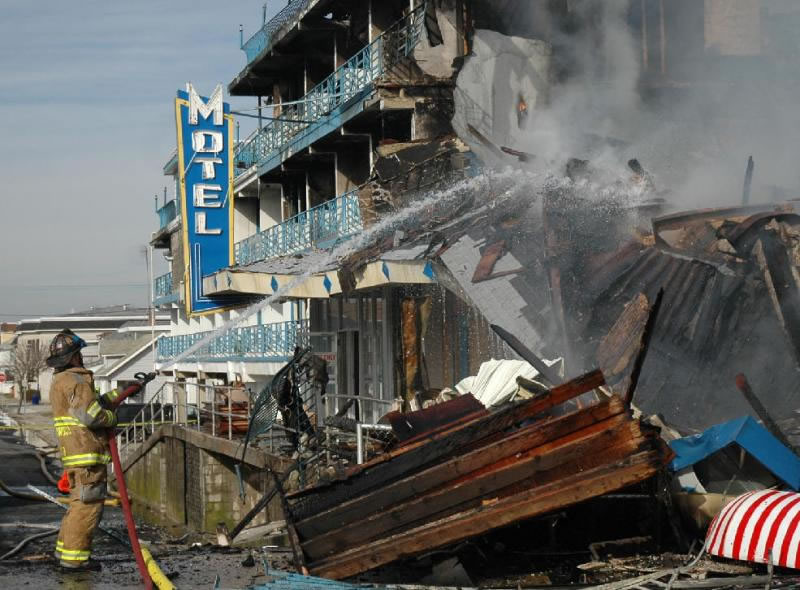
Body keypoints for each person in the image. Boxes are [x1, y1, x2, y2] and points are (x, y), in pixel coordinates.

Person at [46, 329, 139, 571]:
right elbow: (91, 415)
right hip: (86, 454)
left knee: (78, 505)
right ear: (74, 356)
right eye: (79, 353)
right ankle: (75, 561)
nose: (82, 357)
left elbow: (92, 404)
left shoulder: (62, 380)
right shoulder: (77, 381)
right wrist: (113, 419)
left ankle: (64, 553)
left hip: (76, 455)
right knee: (87, 508)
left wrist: (123, 391)